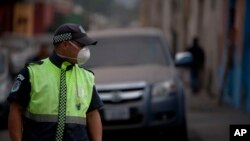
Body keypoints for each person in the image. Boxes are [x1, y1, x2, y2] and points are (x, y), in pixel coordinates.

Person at [7, 23, 104, 141]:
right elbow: (15, 109)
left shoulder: (87, 77)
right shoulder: (32, 73)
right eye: (81, 45)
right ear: (65, 44)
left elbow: (93, 114)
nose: (85, 50)